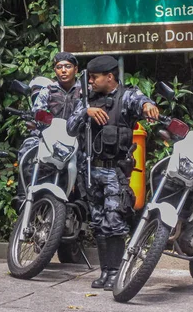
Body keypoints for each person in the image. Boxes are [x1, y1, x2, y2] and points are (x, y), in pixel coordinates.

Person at [67, 55, 159, 291]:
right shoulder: (87, 100)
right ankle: (105, 271)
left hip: (114, 172)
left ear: (109, 77)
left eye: (95, 77)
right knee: (98, 223)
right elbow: (69, 127)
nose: (91, 82)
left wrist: (148, 106)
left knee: (115, 221)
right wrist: (86, 111)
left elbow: (142, 102)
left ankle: (116, 272)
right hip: (90, 170)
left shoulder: (126, 96)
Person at [12, 52, 82, 210]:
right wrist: (38, 120)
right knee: (26, 150)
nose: (63, 70)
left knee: (86, 167)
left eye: (68, 66)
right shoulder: (48, 90)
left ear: (75, 69)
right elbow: (38, 111)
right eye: (59, 67)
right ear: (55, 70)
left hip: (74, 139)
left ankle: (79, 206)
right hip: (46, 137)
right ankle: (23, 195)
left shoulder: (85, 91)